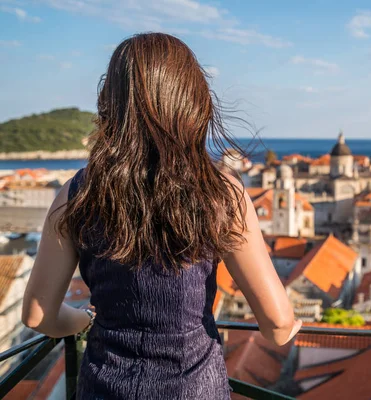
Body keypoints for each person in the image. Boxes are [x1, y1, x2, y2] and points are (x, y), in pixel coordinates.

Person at [21, 32, 302, 400]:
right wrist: (293, 325)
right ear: (192, 101)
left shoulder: (77, 193)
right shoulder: (221, 193)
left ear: (111, 102)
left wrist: (84, 319)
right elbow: (277, 325)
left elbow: (38, 315)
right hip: (193, 389)